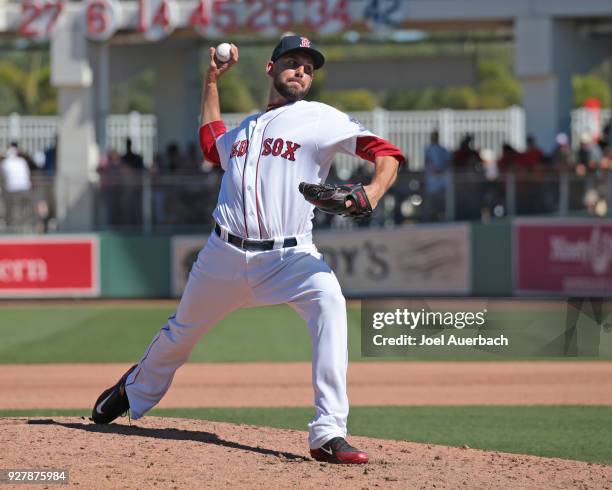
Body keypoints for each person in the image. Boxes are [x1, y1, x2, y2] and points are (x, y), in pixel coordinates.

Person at [91, 35, 405, 465]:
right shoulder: (247, 129)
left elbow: (385, 153)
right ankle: (134, 389)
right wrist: (212, 82)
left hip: (290, 258)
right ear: (270, 68)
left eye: (309, 67)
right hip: (223, 255)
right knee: (179, 336)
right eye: (293, 62)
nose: (301, 71)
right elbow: (209, 144)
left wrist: (372, 191)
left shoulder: (320, 118)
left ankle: (328, 431)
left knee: (330, 303)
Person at [1, 142, 32, 227]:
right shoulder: (22, 161)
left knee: (11, 209)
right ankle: (25, 225)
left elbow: (2, 175)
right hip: (25, 188)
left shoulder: (5, 163)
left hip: (12, 190)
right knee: (23, 209)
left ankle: (11, 225)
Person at [423, 130, 449, 221]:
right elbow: (427, 163)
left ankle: (443, 216)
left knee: (442, 200)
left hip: (441, 179)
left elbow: (446, 163)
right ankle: (431, 217)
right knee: (431, 201)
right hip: (432, 180)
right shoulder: (428, 149)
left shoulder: (443, 150)